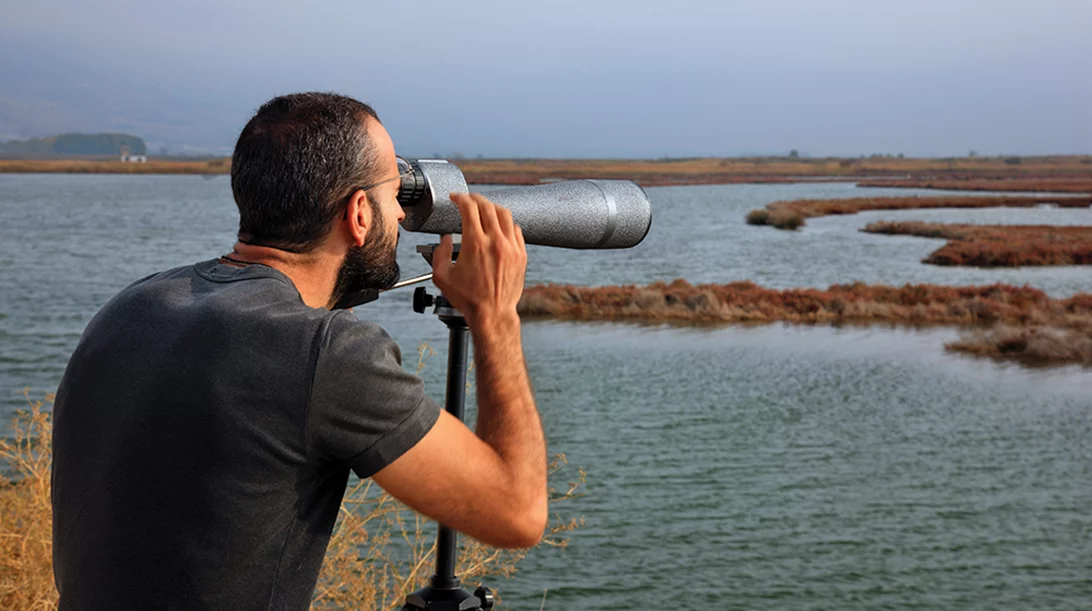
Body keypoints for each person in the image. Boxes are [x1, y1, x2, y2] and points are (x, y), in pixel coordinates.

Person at [50, 92, 547, 610]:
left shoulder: (132, 305)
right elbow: (518, 514)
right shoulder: (325, 353)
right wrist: (495, 316)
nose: (401, 217)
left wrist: (343, 278)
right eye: (395, 195)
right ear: (359, 213)